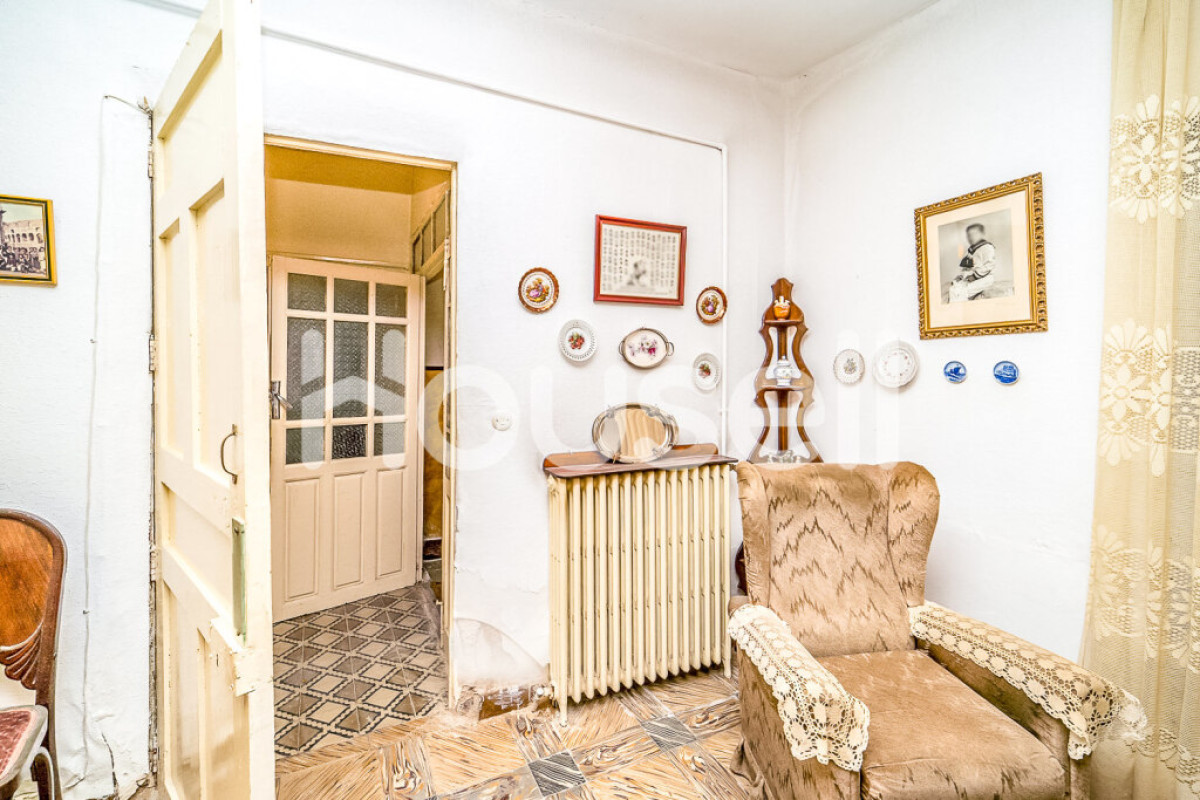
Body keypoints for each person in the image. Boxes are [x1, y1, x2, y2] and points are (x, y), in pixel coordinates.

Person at [948, 223, 996, 302]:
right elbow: (967, 267)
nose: (970, 237)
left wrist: (974, 276)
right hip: (971, 277)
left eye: (974, 234)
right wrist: (961, 276)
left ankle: (961, 308)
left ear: (982, 234)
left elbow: (989, 265)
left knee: (961, 291)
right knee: (953, 289)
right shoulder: (971, 250)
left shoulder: (987, 247)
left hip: (984, 278)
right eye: (968, 235)